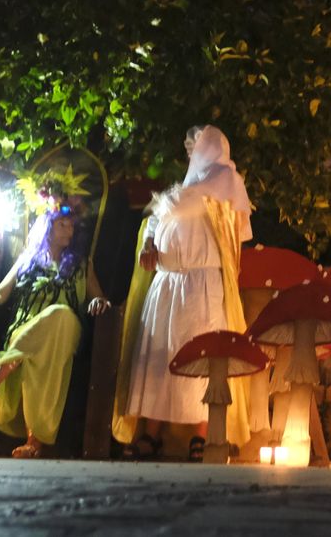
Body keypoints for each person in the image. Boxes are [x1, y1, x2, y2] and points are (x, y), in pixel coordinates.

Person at [112, 124, 253, 461]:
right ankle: (152, 433)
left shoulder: (224, 179)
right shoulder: (186, 187)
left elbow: (179, 205)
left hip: (202, 285)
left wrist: (161, 207)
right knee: (159, 358)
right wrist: (149, 241)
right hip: (167, 281)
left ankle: (201, 436)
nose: (189, 152)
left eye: (194, 145)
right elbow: (155, 220)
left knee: (200, 356)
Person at [0, 202, 110, 459]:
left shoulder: (83, 265)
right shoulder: (27, 258)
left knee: (59, 313)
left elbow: (101, 299)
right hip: (25, 328)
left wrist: (98, 302)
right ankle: (33, 442)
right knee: (39, 357)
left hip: (66, 331)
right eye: (62, 225)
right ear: (47, 228)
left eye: (72, 226)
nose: (69, 231)